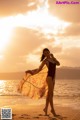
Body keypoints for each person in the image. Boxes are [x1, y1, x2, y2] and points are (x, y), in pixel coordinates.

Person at [18, 48, 60, 117]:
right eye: (45, 53)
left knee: (49, 94)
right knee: (51, 94)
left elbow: (58, 64)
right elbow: (39, 69)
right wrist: (31, 72)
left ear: (49, 52)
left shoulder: (53, 59)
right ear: (44, 54)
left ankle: (45, 109)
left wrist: (54, 57)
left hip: (53, 79)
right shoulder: (45, 61)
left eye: (47, 52)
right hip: (49, 78)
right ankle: (52, 110)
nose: (46, 54)